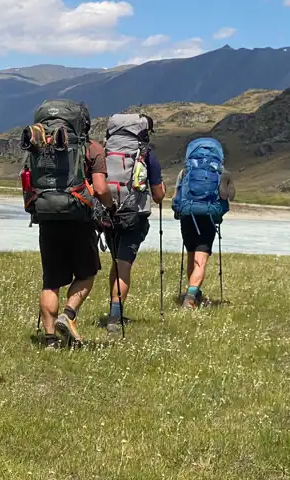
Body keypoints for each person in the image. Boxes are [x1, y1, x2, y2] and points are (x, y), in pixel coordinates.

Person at [23, 101, 114, 349]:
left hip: (46, 217)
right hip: (79, 218)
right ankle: (69, 314)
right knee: (87, 273)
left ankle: (50, 339)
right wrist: (110, 207)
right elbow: (102, 189)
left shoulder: (38, 147)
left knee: (51, 281)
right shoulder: (91, 149)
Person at [104, 114, 165, 335]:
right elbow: (158, 195)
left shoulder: (106, 151)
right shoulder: (147, 155)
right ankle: (114, 317)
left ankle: (113, 311)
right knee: (124, 266)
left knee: (116, 261)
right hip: (133, 216)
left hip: (108, 214)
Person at [173, 137, 235, 310]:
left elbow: (176, 197)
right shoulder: (222, 172)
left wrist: (178, 211)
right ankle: (190, 299)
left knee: (191, 254)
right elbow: (230, 196)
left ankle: (193, 292)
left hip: (187, 216)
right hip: (208, 217)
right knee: (202, 258)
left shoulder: (185, 171)